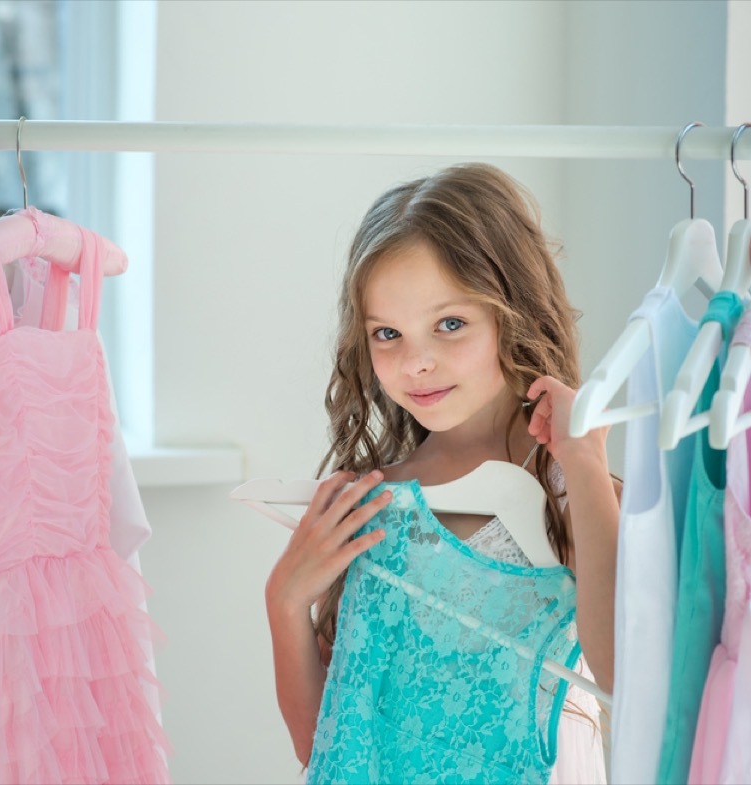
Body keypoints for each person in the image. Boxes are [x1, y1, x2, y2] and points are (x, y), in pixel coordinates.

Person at [264, 163, 620, 783]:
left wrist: (585, 463)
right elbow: (324, 744)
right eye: (388, 334)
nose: (416, 362)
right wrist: (286, 600)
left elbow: (625, 671)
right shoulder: (373, 504)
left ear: (515, 313)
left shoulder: (575, 489)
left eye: (449, 324)